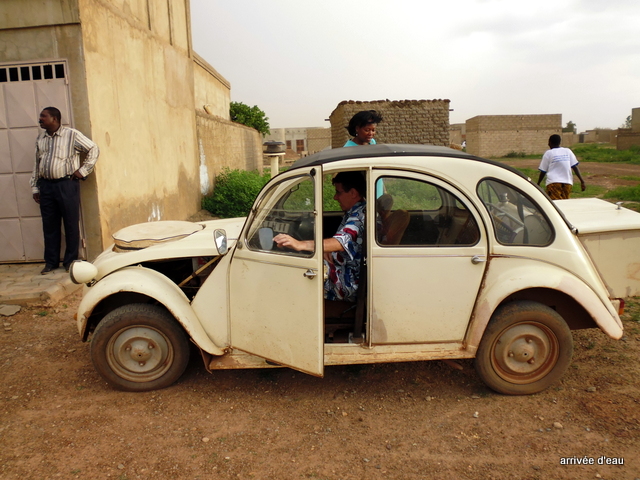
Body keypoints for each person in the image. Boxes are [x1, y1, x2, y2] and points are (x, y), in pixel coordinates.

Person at [274, 171, 366, 302]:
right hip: (342, 268)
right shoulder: (355, 212)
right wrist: (329, 251)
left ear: (353, 193)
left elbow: (340, 242)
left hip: (347, 280)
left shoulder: (360, 216)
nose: (335, 197)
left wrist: (300, 244)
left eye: (339, 192)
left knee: (297, 269)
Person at [30, 107, 100, 274]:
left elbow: (94, 149)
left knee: (70, 223)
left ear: (54, 119)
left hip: (66, 184)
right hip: (46, 186)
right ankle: (51, 262)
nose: (40, 119)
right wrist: (35, 187)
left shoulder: (71, 135)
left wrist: (83, 171)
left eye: (43, 116)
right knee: (49, 225)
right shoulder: (41, 138)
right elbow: (37, 164)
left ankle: (70, 262)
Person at [537, 134, 585, 200]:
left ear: (550, 142)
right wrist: (582, 181)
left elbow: (543, 171)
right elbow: (575, 167)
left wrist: (538, 183)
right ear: (560, 142)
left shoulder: (548, 153)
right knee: (564, 202)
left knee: (554, 203)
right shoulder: (568, 151)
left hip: (553, 183)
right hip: (567, 183)